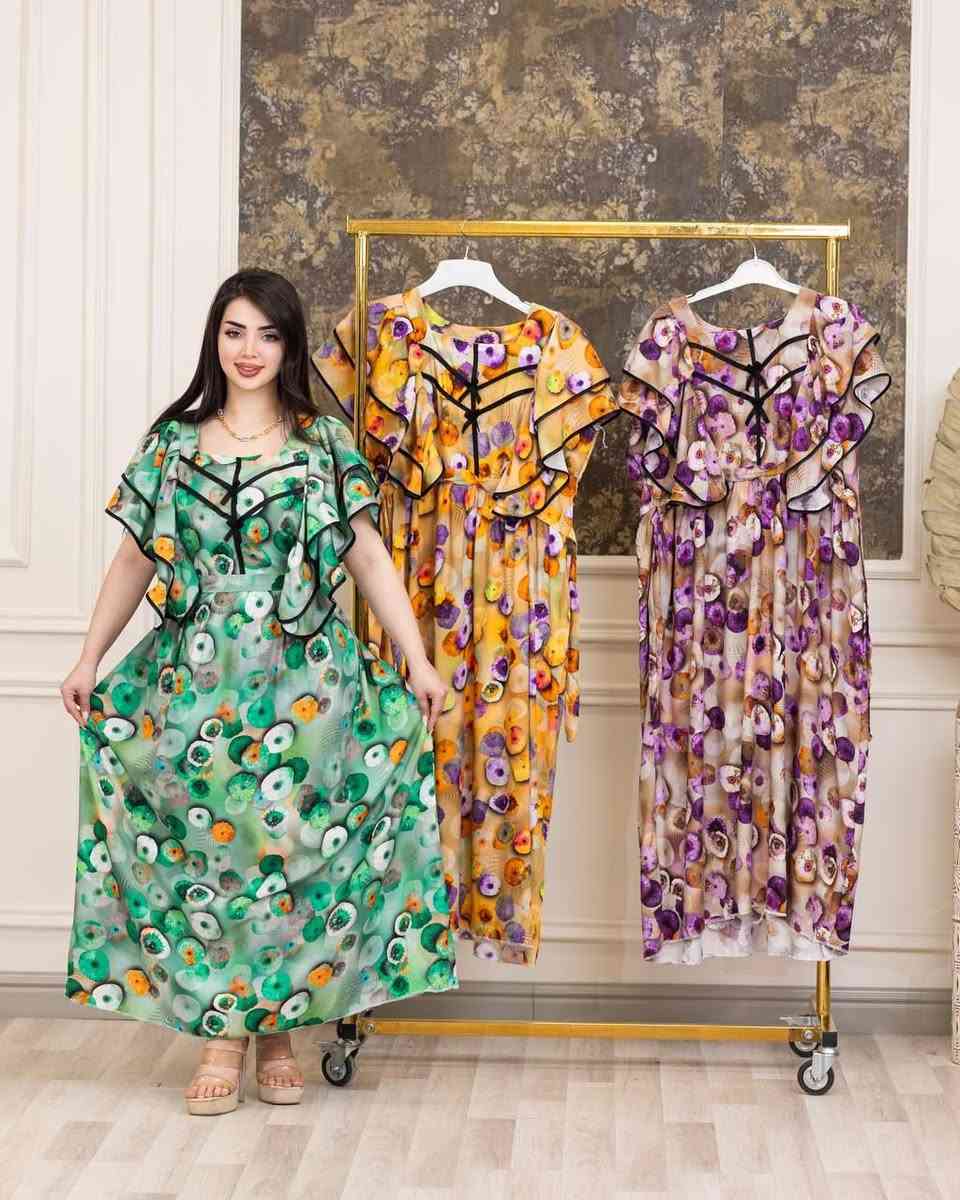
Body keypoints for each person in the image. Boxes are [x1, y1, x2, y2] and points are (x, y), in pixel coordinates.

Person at [61, 269, 457, 1115]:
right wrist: (90, 657)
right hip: (196, 687)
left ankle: (270, 1031)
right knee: (217, 855)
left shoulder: (322, 443)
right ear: (215, 337)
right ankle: (230, 1034)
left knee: (287, 853)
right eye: (235, 331)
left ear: (290, 346)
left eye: (268, 336)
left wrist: (417, 660)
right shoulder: (172, 444)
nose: (249, 351)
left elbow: (366, 554)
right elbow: (135, 558)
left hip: (305, 682)